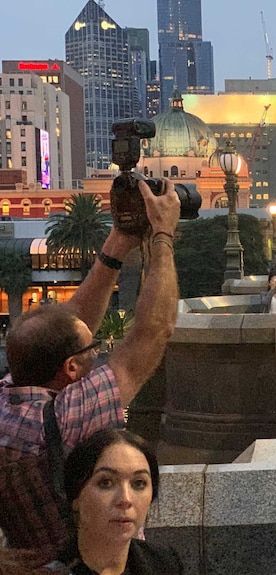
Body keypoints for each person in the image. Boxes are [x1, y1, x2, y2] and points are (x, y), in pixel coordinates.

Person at [0, 179, 179, 557]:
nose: (98, 351)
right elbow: (152, 333)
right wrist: (162, 237)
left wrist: (119, 240)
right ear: (71, 369)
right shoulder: (64, 417)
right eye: (93, 349)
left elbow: (68, 325)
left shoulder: (8, 397)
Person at [60, 429, 182, 574]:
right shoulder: (46, 568)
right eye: (106, 482)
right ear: (76, 496)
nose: (125, 499)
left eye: (139, 483)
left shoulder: (163, 563)